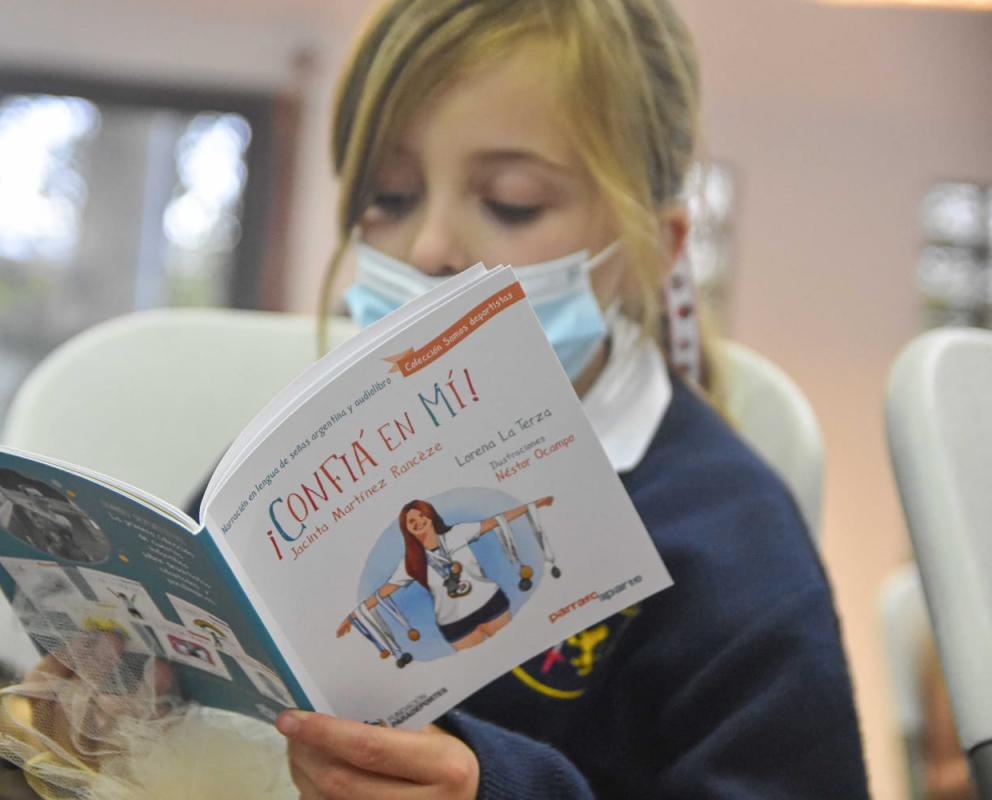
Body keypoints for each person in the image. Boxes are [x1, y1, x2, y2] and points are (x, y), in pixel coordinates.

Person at [261, 1, 871, 798]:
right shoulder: (306, 460)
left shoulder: (731, 545)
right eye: (389, 196)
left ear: (657, 248)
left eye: (512, 202)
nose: (430, 248)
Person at [339, 497, 555, 652]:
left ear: (431, 516)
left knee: (517, 652)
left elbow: (495, 521)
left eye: (421, 516)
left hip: (491, 604)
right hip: (454, 625)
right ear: (408, 531)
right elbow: (384, 592)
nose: (418, 523)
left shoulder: (457, 534)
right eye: (411, 523)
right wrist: (354, 617)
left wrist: (532, 506)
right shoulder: (411, 562)